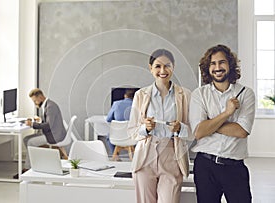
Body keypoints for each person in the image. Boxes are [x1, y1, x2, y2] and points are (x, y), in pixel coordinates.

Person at [189, 44, 255, 203]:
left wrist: (209, 124)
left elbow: (241, 131)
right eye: (213, 63)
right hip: (205, 166)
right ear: (207, 68)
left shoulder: (246, 94)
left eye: (222, 62)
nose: (217, 67)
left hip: (235, 167)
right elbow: (198, 132)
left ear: (230, 65)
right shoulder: (200, 94)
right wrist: (227, 113)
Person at [128, 49, 191, 203]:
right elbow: (132, 132)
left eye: (167, 66)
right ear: (150, 68)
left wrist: (180, 128)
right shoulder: (141, 95)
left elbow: (193, 132)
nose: (162, 71)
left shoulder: (186, 95)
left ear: (173, 67)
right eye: (157, 66)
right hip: (145, 157)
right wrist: (146, 128)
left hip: (172, 155)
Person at [13, 88, 66, 178]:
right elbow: (48, 121)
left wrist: (33, 124)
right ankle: (34, 163)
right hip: (51, 132)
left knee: (31, 142)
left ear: (40, 97)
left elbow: (49, 125)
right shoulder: (47, 105)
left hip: (54, 135)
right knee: (26, 139)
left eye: (35, 101)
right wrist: (39, 120)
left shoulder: (50, 107)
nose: (35, 103)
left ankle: (27, 169)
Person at [106, 89, 134, 154]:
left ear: (125, 95)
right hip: (132, 137)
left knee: (108, 137)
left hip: (117, 136)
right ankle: (135, 155)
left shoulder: (116, 104)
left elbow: (108, 119)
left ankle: (115, 155)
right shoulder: (137, 105)